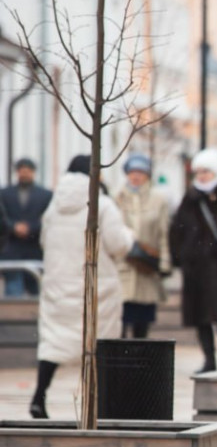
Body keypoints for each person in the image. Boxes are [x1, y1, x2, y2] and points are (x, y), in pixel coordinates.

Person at [31, 155, 134, 418]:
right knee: (99, 344)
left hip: (58, 285)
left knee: (53, 343)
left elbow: (44, 241)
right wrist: (130, 236)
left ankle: (39, 396)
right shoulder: (102, 204)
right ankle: (103, 402)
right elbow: (118, 244)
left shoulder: (53, 206)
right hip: (95, 286)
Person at [170, 149, 217, 373]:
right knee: (201, 316)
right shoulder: (189, 199)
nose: (201, 176)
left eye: (206, 171)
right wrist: (180, 258)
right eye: (198, 171)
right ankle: (209, 358)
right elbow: (176, 230)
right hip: (195, 268)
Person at [114, 152, 170, 338]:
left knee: (142, 324)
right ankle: (121, 364)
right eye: (132, 172)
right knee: (120, 320)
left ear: (148, 175)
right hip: (122, 267)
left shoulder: (159, 200)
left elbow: (164, 233)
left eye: (140, 172)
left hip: (147, 268)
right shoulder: (117, 198)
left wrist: (164, 263)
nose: (136, 176)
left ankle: (140, 363)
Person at [1, 157, 51, 297]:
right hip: (11, 250)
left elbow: (48, 219)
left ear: (33, 172)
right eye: (22, 171)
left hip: (34, 249)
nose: (24, 174)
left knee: (36, 292)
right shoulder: (5, 194)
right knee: (13, 293)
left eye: (27, 171)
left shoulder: (45, 195)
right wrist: (13, 227)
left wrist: (31, 227)